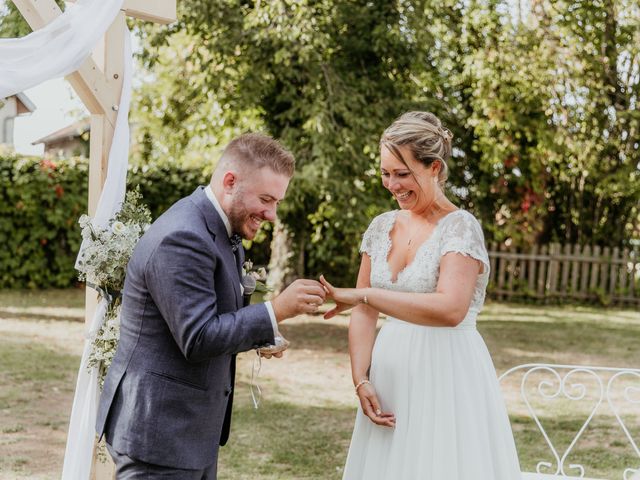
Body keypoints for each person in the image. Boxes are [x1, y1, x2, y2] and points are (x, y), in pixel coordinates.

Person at [97, 133, 326, 479]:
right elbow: (199, 337)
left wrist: (261, 335)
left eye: (277, 202)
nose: (272, 214)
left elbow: (213, 317)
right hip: (158, 434)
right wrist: (275, 310)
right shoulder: (183, 237)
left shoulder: (221, 229)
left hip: (188, 433)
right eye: (266, 199)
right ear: (230, 181)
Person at [319, 112, 521, 479]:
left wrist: (365, 294)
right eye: (385, 173)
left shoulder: (460, 227)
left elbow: (450, 309)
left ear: (434, 168)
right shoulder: (381, 227)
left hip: (447, 373)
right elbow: (363, 314)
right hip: (391, 374)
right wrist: (360, 379)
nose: (392, 185)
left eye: (402, 173)